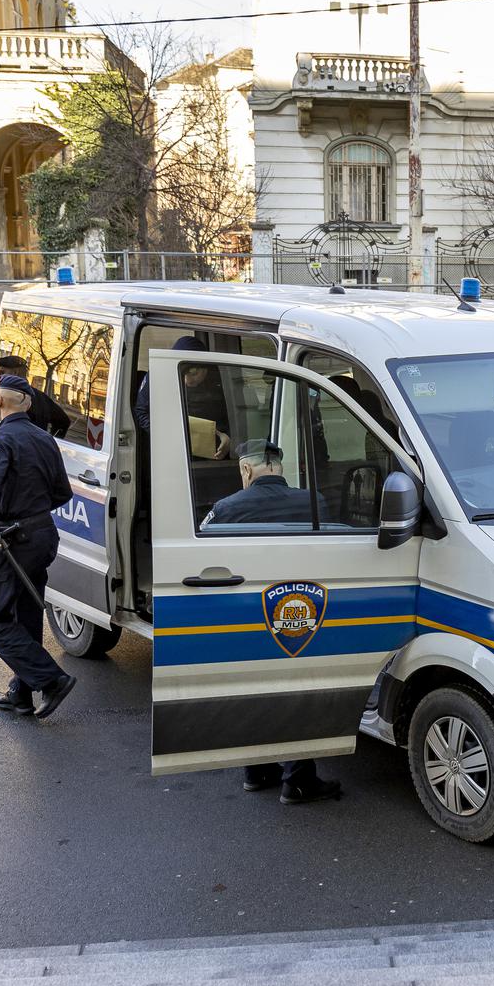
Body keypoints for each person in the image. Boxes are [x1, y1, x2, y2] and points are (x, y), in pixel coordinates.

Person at [204, 439, 342, 806]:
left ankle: (257, 771)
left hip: (246, 613)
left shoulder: (225, 508)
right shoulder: (313, 501)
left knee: (251, 688)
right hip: (299, 610)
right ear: (279, 468)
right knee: (295, 690)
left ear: (246, 470)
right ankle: (297, 779)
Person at [0, 375, 77, 719]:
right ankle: (20, 694)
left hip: (14, 539)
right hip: (43, 535)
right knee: (26, 613)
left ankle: (51, 680)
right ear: (26, 403)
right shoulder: (45, 439)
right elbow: (63, 493)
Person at [134, 335, 230, 458]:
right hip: (169, 450)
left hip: (211, 450)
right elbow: (141, 412)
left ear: (206, 366)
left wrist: (227, 436)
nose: (187, 380)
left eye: (194, 373)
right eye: (181, 374)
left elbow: (229, 413)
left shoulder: (220, 376)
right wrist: (166, 435)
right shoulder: (158, 374)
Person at [0, 355, 71, 437]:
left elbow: (64, 422)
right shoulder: (43, 399)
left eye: (1, 372)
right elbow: (64, 421)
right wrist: (48, 441)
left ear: (15, 372)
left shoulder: (6, 396)